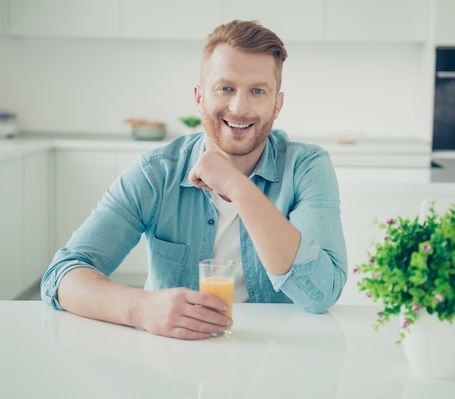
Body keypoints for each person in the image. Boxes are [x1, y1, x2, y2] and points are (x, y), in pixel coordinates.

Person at [41, 19, 347, 340]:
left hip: (276, 358)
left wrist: (238, 187)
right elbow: (62, 276)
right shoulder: (156, 172)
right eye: (225, 88)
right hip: (173, 357)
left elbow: (322, 294)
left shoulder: (307, 167)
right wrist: (141, 309)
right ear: (199, 97)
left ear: (277, 104)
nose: (239, 107)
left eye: (257, 91)